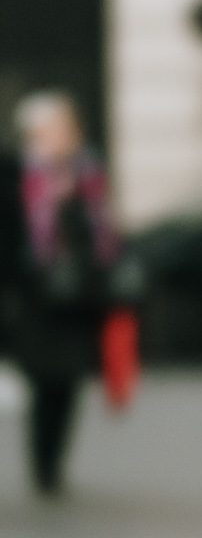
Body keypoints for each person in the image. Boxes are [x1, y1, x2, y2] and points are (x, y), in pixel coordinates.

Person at [0, 93, 120, 495]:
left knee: (68, 381)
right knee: (42, 378)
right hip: (32, 299)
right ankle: (42, 462)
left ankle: (51, 464)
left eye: (67, 128)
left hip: (77, 298)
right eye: (53, 129)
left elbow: (104, 232)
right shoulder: (15, 175)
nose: (63, 136)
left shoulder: (87, 174)